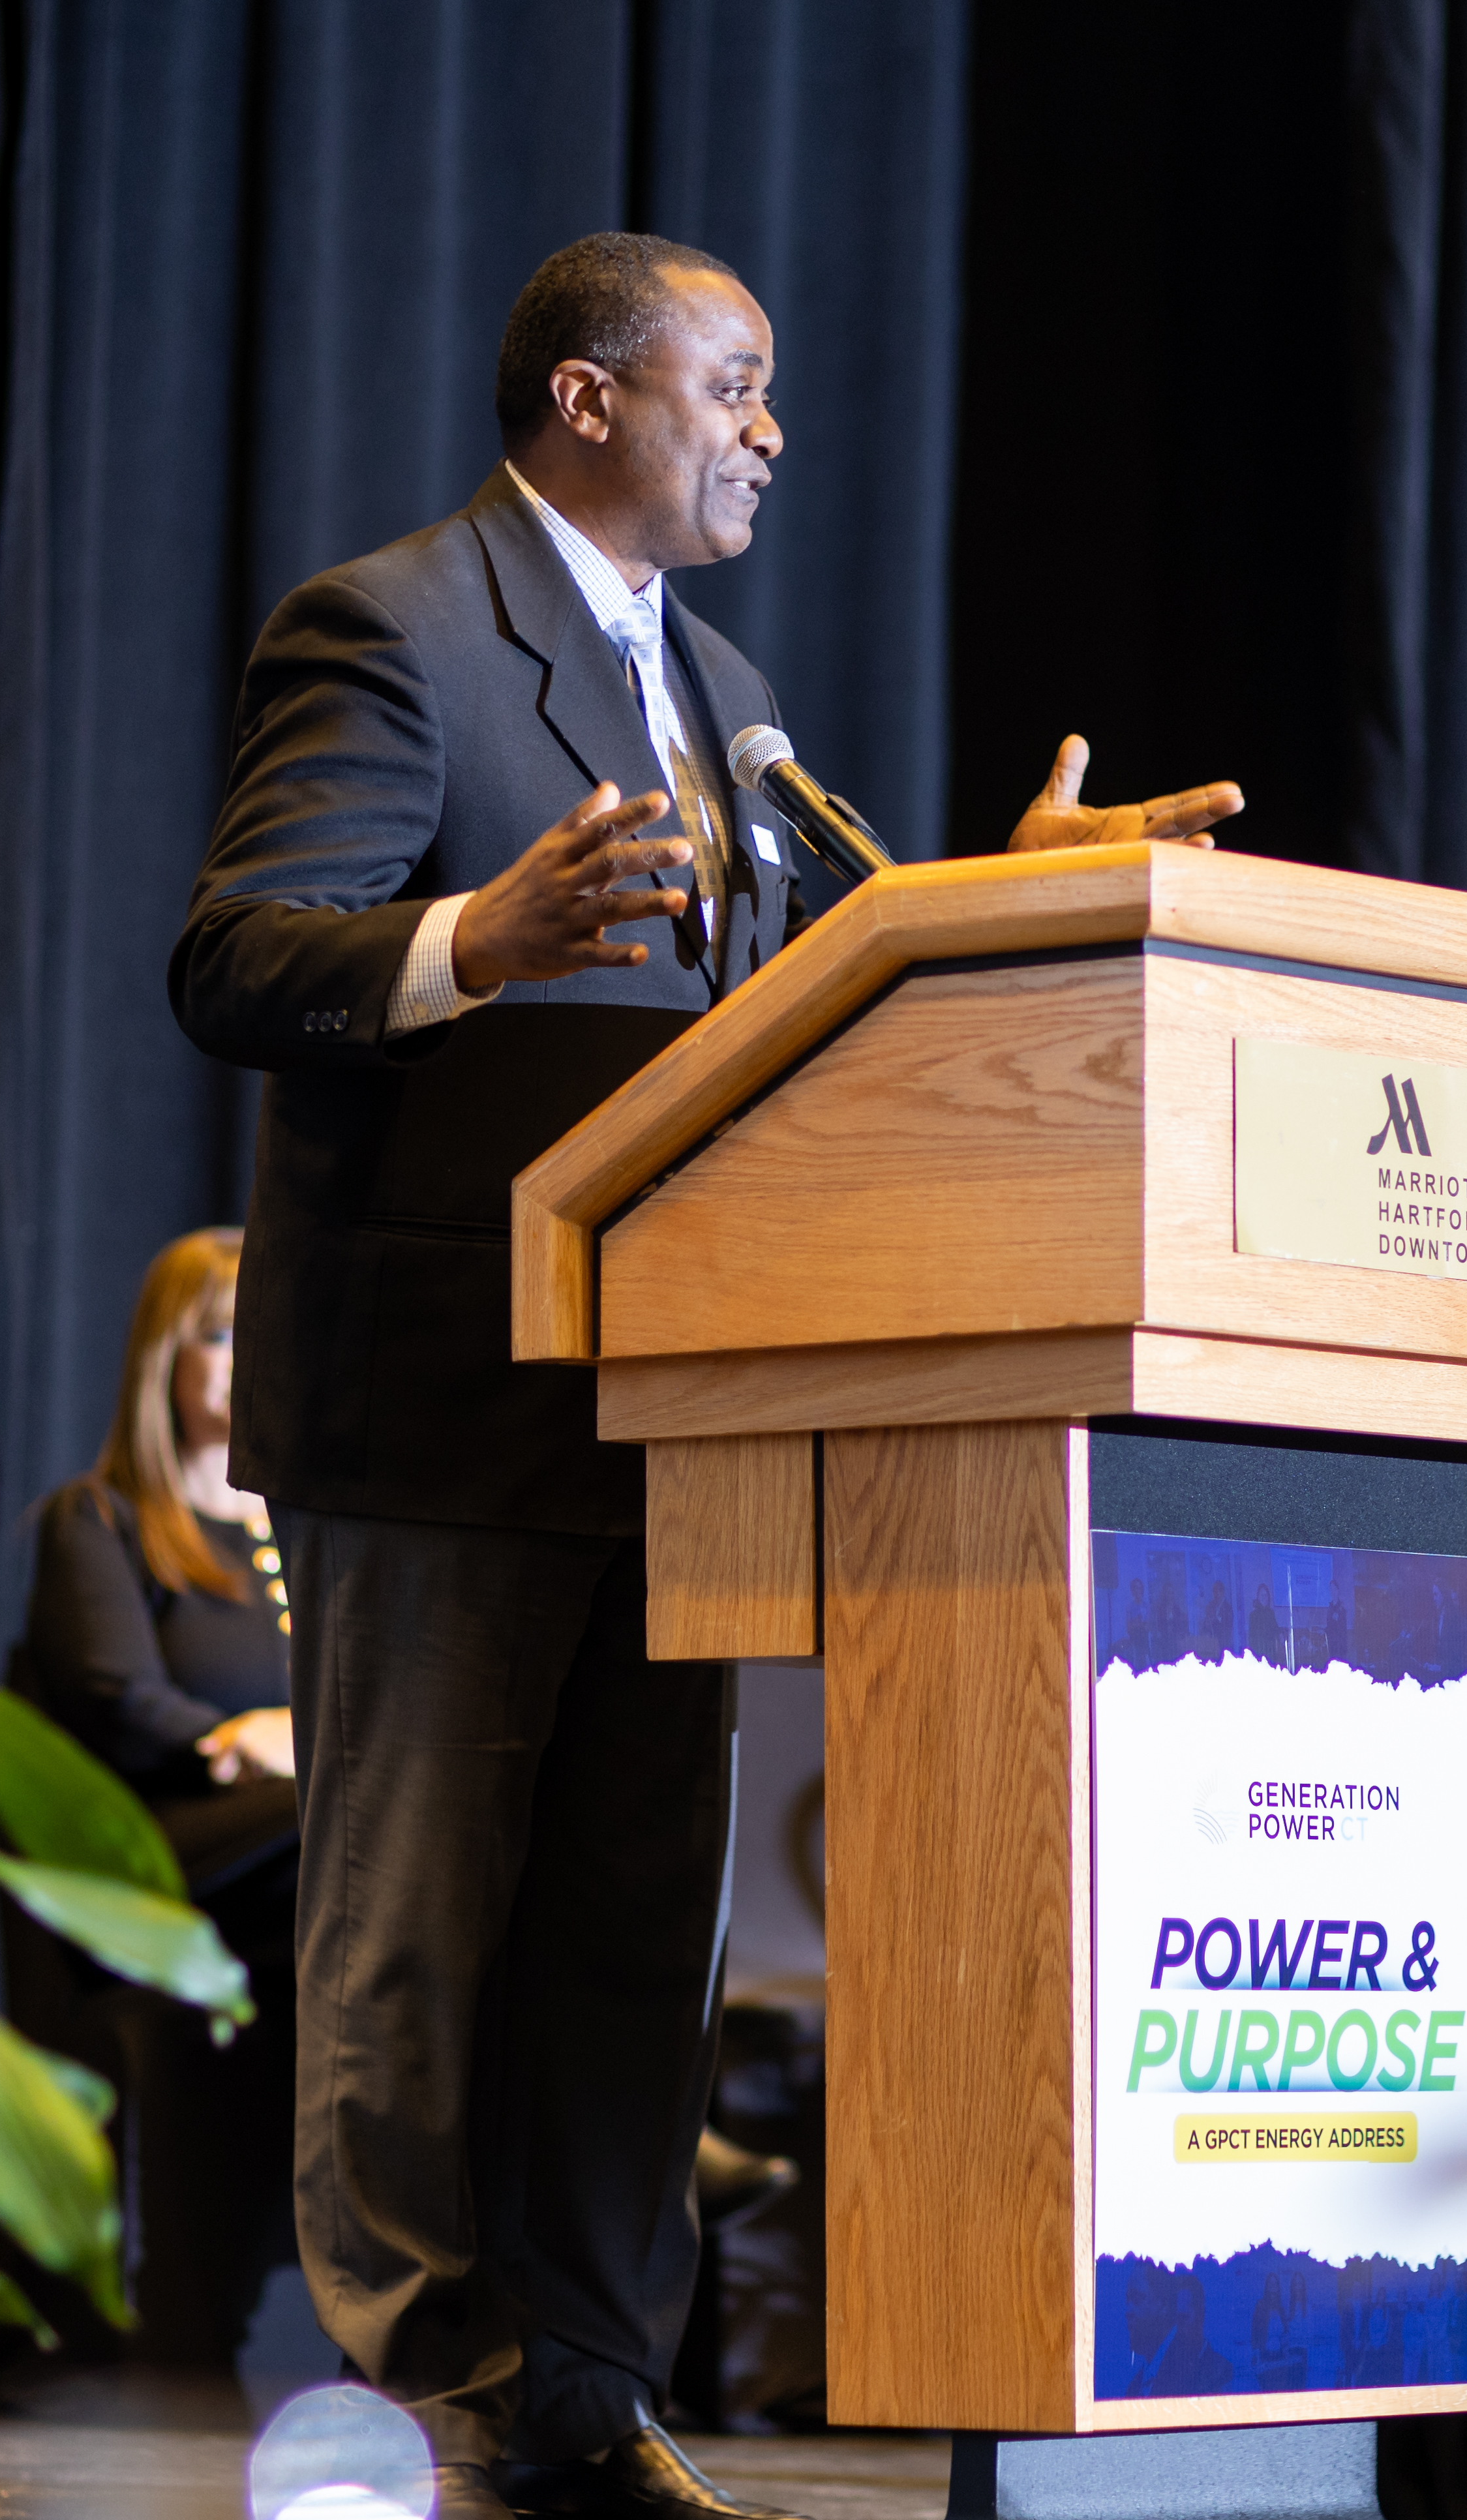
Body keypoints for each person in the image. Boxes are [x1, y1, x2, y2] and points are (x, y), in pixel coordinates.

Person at [170, 231, 1239, 2520]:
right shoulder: (393, 630)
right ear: (583, 400)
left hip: (671, 1408)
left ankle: (586, 2393)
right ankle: (432, 2392)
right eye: (730, 383)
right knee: (417, 1930)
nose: (769, 428)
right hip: (444, 1397)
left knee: (627, 1946)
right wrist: (486, 935)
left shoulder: (723, 679)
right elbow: (239, 951)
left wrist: (992, 914)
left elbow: (776, 1024)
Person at [13, 1226, 302, 2365]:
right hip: (170, 1850)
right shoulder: (100, 1521)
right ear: (164, 1361)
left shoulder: (309, 1536)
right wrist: (240, 1738)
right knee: (349, 1820)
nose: (242, 1361)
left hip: (296, 1854)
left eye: (261, 1337)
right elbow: (115, 1695)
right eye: (219, 1336)